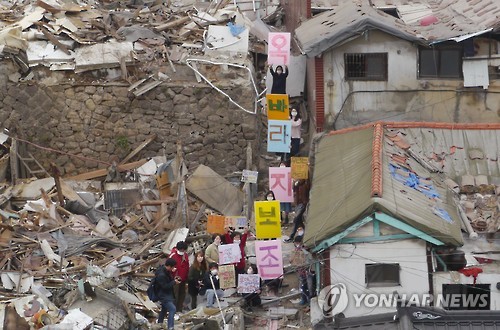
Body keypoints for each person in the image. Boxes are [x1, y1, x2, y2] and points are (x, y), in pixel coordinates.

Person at [155, 258, 181, 330]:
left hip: (166, 294)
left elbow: (168, 281)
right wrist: (174, 282)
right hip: (163, 295)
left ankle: (159, 324)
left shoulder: (165, 271)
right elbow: (165, 286)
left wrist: (174, 280)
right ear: (169, 266)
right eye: (172, 267)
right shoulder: (161, 274)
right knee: (172, 309)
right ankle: (171, 327)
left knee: (164, 309)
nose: (173, 268)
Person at [290, 236, 313, 306]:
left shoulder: (306, 250)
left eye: (297, 243)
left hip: (308, 271)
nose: (296, 244)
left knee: (309, 286)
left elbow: (310, 259)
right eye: (295, 243)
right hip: (301, 271)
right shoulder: (295, 251)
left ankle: (309, 299)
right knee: (302, 286)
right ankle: (304, 299)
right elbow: (292, 261)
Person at [169, 241, 190, 312]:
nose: (182, 251)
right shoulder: (173, 255)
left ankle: (179, 310)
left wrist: (186, 277)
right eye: (181, 250)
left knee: (182, 295)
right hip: (175, 279)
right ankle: (173, 310)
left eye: (183, 250)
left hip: (183, 279)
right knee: (175, 295)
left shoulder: (185, 255)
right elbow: (168, 266)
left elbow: (187, 266)